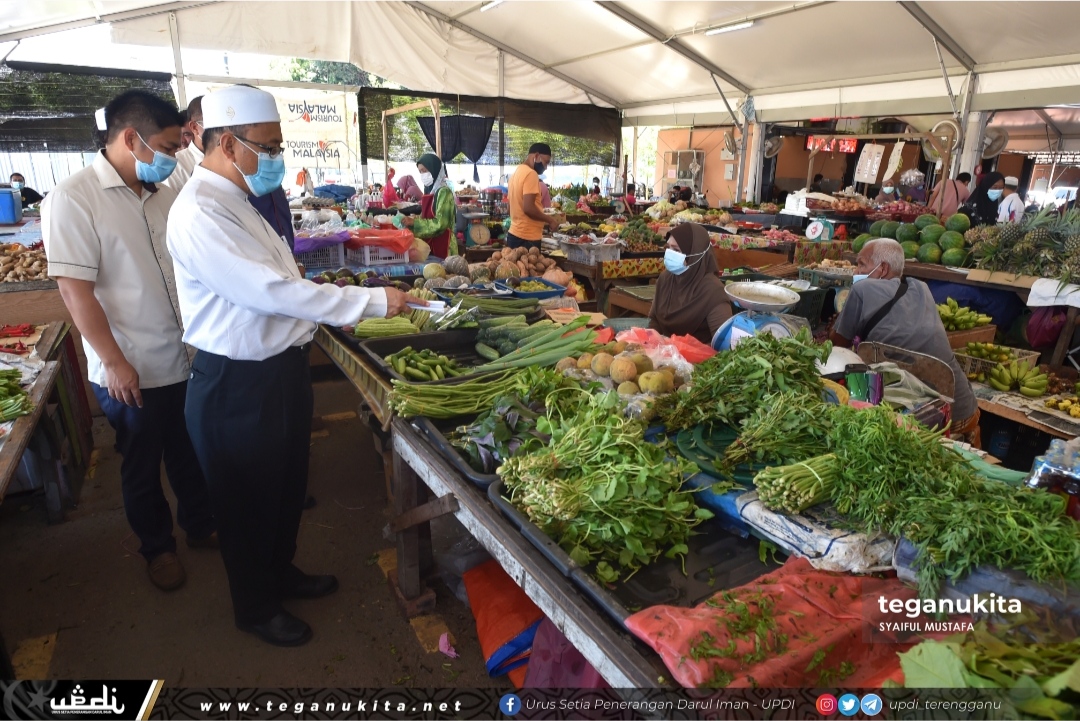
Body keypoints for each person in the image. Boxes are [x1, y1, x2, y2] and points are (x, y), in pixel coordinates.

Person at [166, 85, 418, 646]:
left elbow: (290, 279)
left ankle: (280, 572)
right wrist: (369, 303)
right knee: (245, 502)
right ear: (229, 144)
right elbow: (270, 291)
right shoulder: (199, 213)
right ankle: (254, 606)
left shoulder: (239, 201)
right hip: (236, 384)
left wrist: (335, 294)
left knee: (283, 488)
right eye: (270, 145)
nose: (278, 157)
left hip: (277, 372)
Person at [41, 90, 216, 592]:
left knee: (187, 448)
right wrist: (114, 362)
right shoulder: (73, 198)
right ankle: (157, 549)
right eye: (166, 146)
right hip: (129, 363)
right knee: (142, 461)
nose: (174, 156)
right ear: (130, 139)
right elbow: (76, 294)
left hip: (184, 352)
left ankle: (201, 524)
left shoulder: (164, 190)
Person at [830, 239, 980, 446]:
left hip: (923, 420)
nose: (857, 270)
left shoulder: (862, 289)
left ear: (882, 269)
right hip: (962, 408)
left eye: (861, 264)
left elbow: (837, 343)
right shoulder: (923, 288)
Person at [649, 223, 732, 344]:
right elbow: (654, 320)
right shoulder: (665, 279)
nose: (670, 254)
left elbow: (722, 344)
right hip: (665, 356)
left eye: (676, 250)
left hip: (701, 359)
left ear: (695, 255)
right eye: (668, 247)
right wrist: (651, 343)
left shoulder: (713, 292)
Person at [402, 152, 457, 257]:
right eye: (420, 172)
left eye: (425, 170)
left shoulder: (444, 192)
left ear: (434, 169)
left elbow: (441, 224)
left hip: (444, 245)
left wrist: (415, 223)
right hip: (431, 244)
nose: (423, 175)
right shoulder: (430, 192)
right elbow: (426, 216)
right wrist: (414, 218)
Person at [506, 143, 559, 250]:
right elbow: (528, 208)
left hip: (513, 234)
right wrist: (550, 220)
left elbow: (509, 209)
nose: (546, 167)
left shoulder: (516, 173)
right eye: (546, 162)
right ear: (536, 156)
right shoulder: (531, 174)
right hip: (527, 238)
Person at [163, 95, 204, 193]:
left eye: (186, 134)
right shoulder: (176, 166)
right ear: (195, 128)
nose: (181, 141)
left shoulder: (228, 158)